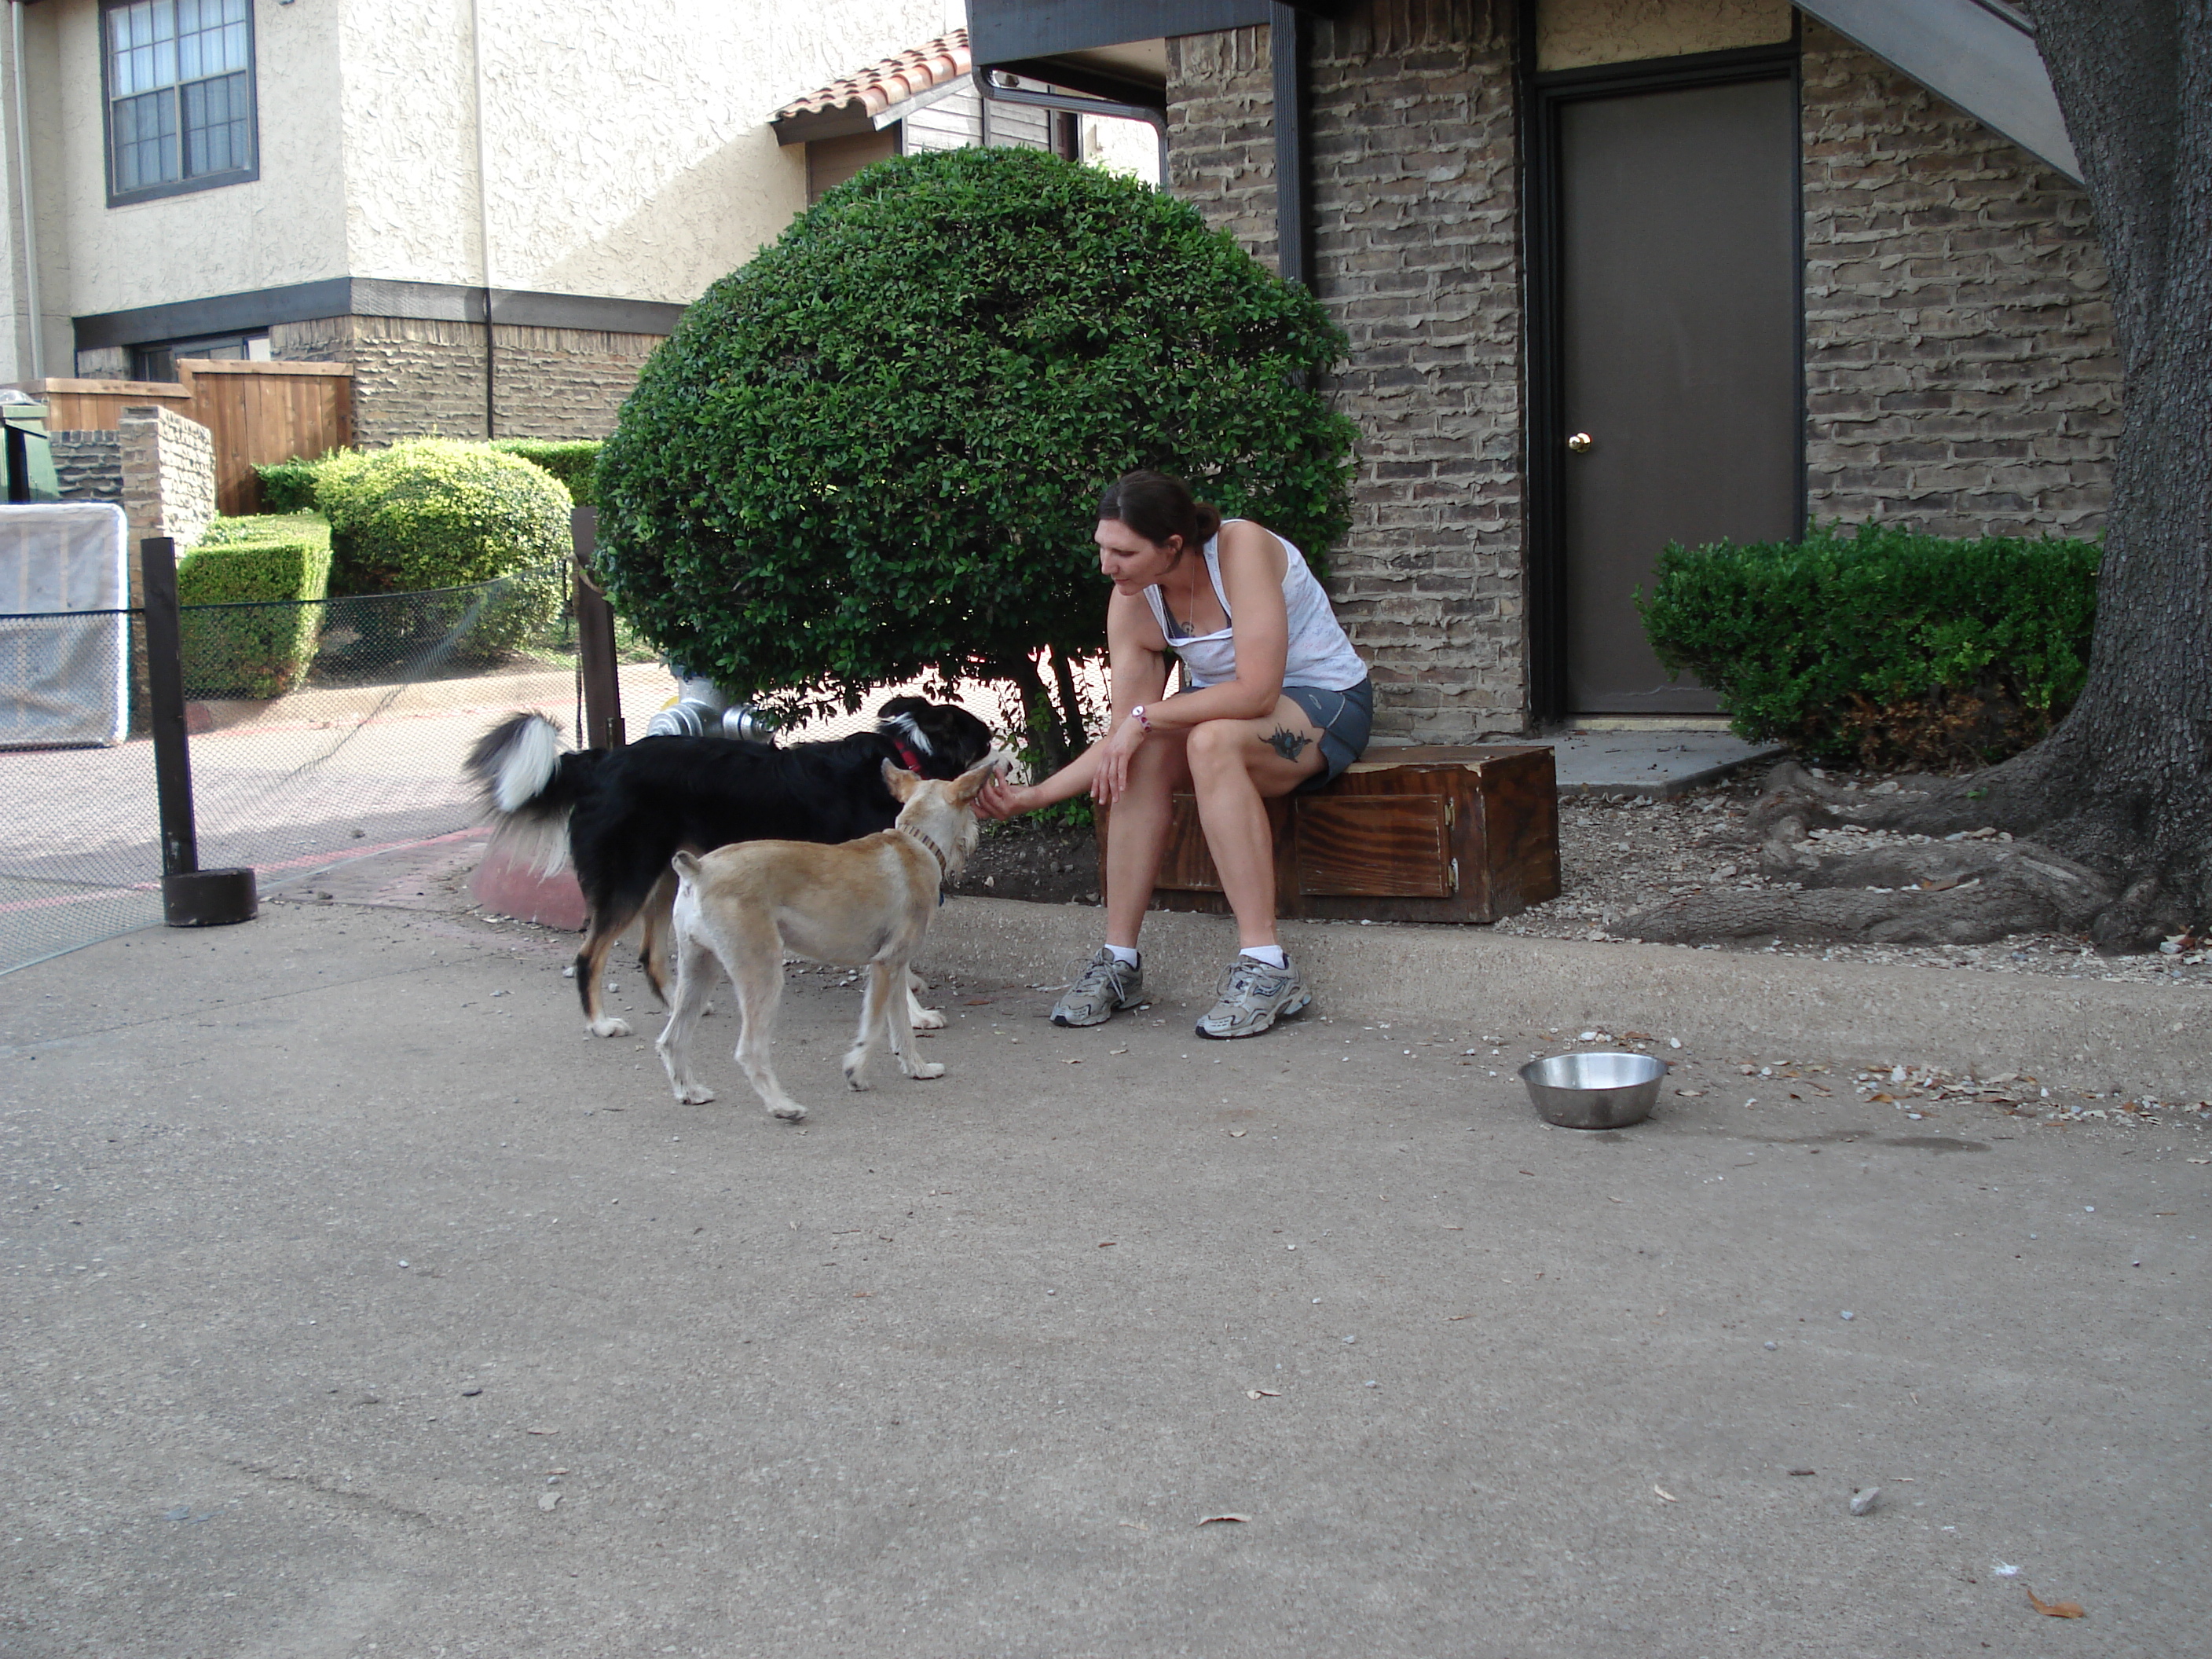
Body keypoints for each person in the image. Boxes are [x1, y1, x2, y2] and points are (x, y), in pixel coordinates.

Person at [976, 471, 1372, 1038]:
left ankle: (1268, 965)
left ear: (1172, 546)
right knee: (1139, 754)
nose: (1107, 566)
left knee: (1207, 740)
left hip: (1325, 701)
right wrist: (1032, 797)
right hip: (1226, 717)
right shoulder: (1133, 602)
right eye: (1102, 548)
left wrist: (1147, 719)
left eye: (1123, 553)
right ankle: (1118, 960)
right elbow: (1124, 738)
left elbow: (1257, 693)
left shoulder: (1240, 549)